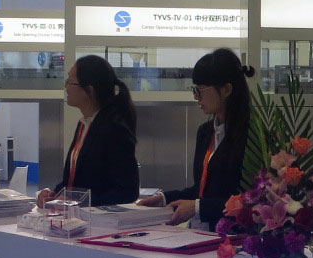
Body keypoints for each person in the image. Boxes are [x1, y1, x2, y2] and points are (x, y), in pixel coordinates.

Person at [139, 48, 254, 229]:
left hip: (232, 234)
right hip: (201, 231)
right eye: (195, 89)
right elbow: (201, 190)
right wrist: (164, 199)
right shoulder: (206, 132)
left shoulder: (252, 135)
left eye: (200, 90)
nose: (196, 97)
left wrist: (198, 207)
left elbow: (250, 200)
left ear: (226, 89)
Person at [53, 55, 139, 205]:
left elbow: (127, 191)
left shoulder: (114, 130)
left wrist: (82, 202)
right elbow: (75, 181)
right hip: (78, 215)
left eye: (70, 82)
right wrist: (55, 194)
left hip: (99, 217)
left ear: (89, 90)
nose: (66, 87)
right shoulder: (85, 124)